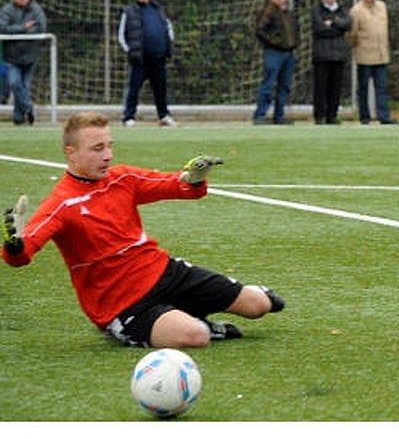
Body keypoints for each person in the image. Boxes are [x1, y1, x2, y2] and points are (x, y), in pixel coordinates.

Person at [1, 111, 285, 348]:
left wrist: (194, 178)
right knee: (195, 336)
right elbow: (21, 255)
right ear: (70, 153)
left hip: (164, 272)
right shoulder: (61, 204)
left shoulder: (121, 178)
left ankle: (193, 312)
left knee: (258, 305)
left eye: (109, 146)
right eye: (98, 149)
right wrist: (13, 244)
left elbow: (178, 185)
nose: (108, 155)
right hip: (121, 302)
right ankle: (202, 326)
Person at [118, 0, 177, 128]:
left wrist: (167, 46)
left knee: (160, 89)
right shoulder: (129, 11)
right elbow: (121, 35)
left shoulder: (158, 10)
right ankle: (129, 117)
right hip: (140, 60)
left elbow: (168, 28)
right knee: (134, 88)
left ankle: (163, 116)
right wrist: (131, 51)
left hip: (158, 58)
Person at [348, 0, 397, 125]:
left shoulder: (382, 6)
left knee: (382, 88)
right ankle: (364, 116)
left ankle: (384, 115)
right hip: (364, 56)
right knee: (363, 88)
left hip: (381, 55)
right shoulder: (356, 10)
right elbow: (352, 34)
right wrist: (358, 47)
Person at [0, 0, 47, 126]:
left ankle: (19, 118)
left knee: (24, 87)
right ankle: (28, 108)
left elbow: (41, 27)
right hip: (12, 58)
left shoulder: (36, 9)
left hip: (30, 57)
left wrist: (19, 31)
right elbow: (2, 28)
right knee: (14, 83)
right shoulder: (7, 10)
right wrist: (23, 28)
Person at [253, 0, 299, 125]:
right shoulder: (268, 11)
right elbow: (260, 30)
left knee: (284, 86)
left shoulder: (288, 13)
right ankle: (260, 115)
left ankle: (279, 115)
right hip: (274, 53)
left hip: (288, 54)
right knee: (268, 84)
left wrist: (296, 42)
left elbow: (295, 29)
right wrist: (274, 42)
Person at [310, 0, 353, 125]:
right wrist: (337, 27)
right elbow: (320, 29)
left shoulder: (342, 10)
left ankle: (332, 115)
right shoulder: (316, 11)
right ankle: (320, 116)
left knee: (335, 88)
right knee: (320, 87)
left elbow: (347, 25)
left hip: (338, 55)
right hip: (322, 55)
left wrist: (333, 22)